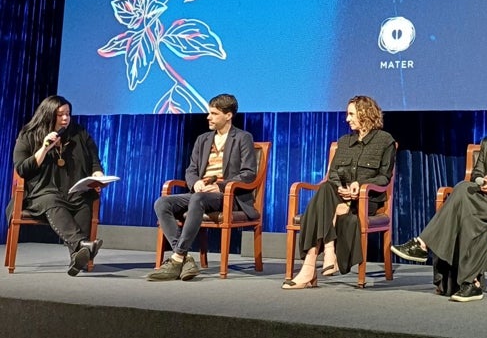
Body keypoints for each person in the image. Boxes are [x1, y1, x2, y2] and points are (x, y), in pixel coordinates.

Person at [391, 98, 487, 302]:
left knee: (463, 191)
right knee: (467, 199)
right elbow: (477, 174)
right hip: (483, 200)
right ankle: (471, 284)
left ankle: (423, 244)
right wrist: (485, 182)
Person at [283, 95, 396, 289]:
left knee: (325, 204)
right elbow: (332, 174)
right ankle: (321, 256)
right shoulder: (344, 142)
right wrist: (341, 187)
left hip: (366, 199)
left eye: (351, 114)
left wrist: (360, 185)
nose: (347, 119)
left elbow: (384, 177)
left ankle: (313, 266)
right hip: (338, 195)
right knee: (327, 188)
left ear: (365, 113)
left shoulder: (385, 141)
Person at [148, 93, 257, 281]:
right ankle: (184, 257)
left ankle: (177, 257)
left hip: (229, 196)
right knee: (162, 203)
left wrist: (220, 187)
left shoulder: (242, 138)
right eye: (209, 113)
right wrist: (195, 182)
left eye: (214, 114)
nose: (208, 117)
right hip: (201, 193)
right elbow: (191, 170)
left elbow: (249, 173)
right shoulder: (203, 139)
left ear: (228, 115)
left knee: (198, 199)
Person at [11, 94, 106, 276]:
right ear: (48, 115)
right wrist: (45, 148)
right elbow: (22, 169)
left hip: (72, 190)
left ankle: (77, 256)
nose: (65, 118)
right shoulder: (28, 135)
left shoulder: (79, 134)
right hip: (41, 192)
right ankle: (82, 245)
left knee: (84, 200)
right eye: (60, 114)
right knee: (52, 200)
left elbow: (94, 161)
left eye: (68, 114)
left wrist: (97, 175)